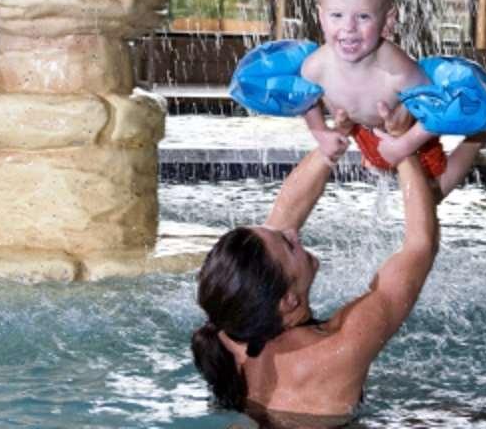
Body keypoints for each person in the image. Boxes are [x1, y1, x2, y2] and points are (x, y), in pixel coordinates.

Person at [191, 108, 452, 424]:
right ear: (288, 300)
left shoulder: (232, 330)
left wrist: (332, 145)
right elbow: (420, 246)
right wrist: (400, 147)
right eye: (289, 244)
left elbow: (284, 217)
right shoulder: (337, 349)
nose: (292, 232)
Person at [301, 0, 486, 199]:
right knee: (383, 169)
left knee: (430, 195)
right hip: (364, 128)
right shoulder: (315, 67)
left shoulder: (396, 68)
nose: (348, 27)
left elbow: (437, 107)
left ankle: (475, 140)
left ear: (388, 21)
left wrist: (405, 144)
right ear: (321, 16)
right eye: (337, 15)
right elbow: (305, 98)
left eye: (363, 16)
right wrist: (320, 132)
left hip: (413, 129)